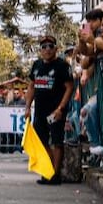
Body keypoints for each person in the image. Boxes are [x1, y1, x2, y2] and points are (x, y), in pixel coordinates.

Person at [25, 34, 75, 185]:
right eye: (44, 47)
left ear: (56, 49)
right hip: (40, 111)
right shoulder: (37, 65)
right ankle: (48, 170)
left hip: (55, 111)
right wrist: (27, 107)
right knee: (41, 141)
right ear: (40, 50)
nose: (47, 49)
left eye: (50, 46)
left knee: (57, 141)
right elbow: (31, 86)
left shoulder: (62, 66)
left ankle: (55, 174)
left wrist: (60, 108)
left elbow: (69, 87)